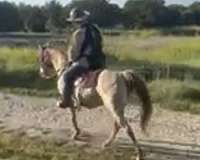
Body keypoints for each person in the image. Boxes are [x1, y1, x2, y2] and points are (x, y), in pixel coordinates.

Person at [58, 8, 106, 108]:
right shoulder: (96, 29)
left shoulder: (79, 33)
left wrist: (71, 61)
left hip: (86, 62)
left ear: (76, 22)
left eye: (73, 22)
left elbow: (74, 52)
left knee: (67, 76)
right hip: (100, 61)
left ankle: (66, 100)